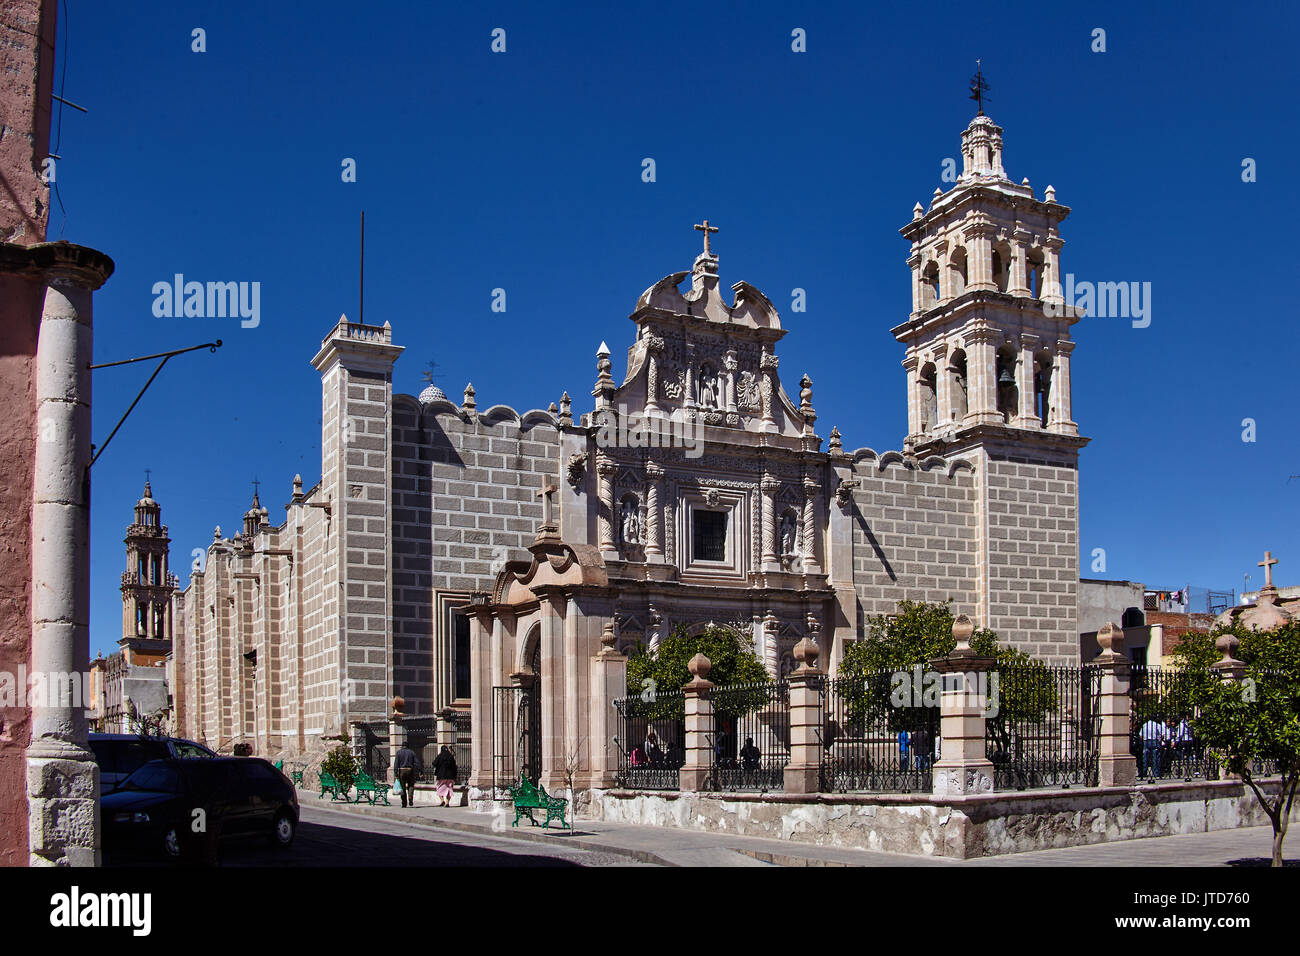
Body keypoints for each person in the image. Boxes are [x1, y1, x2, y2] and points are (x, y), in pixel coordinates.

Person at [393, 742, 419, 807]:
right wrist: (420, 770)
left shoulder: (399, 753)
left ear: (402, 746)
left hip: (401, 770)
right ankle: (410, 798)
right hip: (410, 770)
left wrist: (395, 772)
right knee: (411, 785)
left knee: (402, 787)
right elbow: (417, 762)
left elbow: (396, 763)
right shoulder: (412, 752)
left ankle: (404, 803)